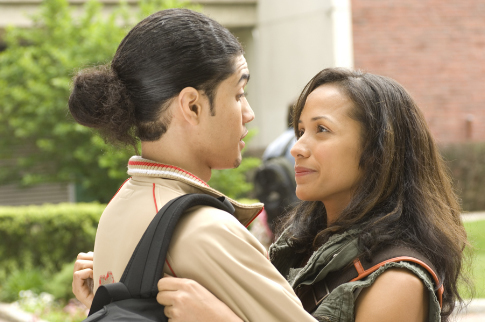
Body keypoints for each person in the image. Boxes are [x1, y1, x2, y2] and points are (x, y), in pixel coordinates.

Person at [152, 68, 471, 322]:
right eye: (301, 130)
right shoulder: (300, 247)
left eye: (322, 130)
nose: (297, 148)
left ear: (377, 151)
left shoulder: (397, 280)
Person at [69, 8, 317, 322]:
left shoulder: (118, 209)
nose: (248, 112)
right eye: (239, 94)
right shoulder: (205, 230)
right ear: (192, 105)